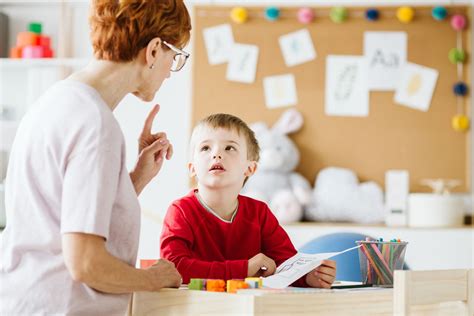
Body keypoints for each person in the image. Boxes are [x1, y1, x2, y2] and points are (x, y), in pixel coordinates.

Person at [0, 0, 191, 314]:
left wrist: (134, 180)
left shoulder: (57, 100)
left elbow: (63, 215)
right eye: (176, 56)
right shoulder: (95, 124)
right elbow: (86, 263)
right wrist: (153, 278)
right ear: (154, 50)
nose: (171, 71)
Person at [160, 114, 336, 287]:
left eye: (229, 148)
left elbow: (286, 264)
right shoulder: (180, 211)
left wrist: (308, 276)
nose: (216, 154)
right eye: (206, 148)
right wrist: (243, 269)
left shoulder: (259, 213)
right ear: (192, 168)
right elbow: (172, 268)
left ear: (250, 168)